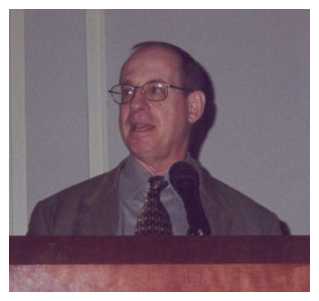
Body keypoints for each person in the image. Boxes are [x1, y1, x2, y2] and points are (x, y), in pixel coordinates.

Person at [27, 41, 284, 236]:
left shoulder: (257, 227)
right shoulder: (55, 219)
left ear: (193, 107)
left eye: (156, 90)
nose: (136, 105)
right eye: (128, 91)